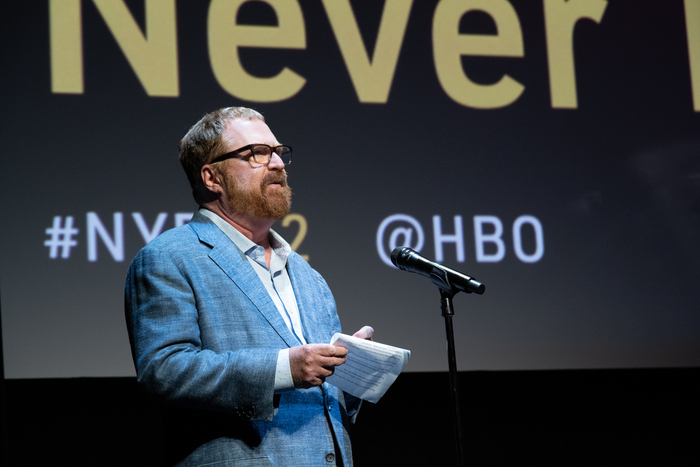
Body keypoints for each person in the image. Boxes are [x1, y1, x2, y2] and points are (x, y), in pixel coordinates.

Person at [125, 107, 373, 466]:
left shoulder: (307, 275)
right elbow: (163, 371)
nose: (277, 164)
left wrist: (352, 371)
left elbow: (324, 397)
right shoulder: (169, 257)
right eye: (257, 153)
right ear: (212, 177)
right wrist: (283, 369)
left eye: (278, 152)